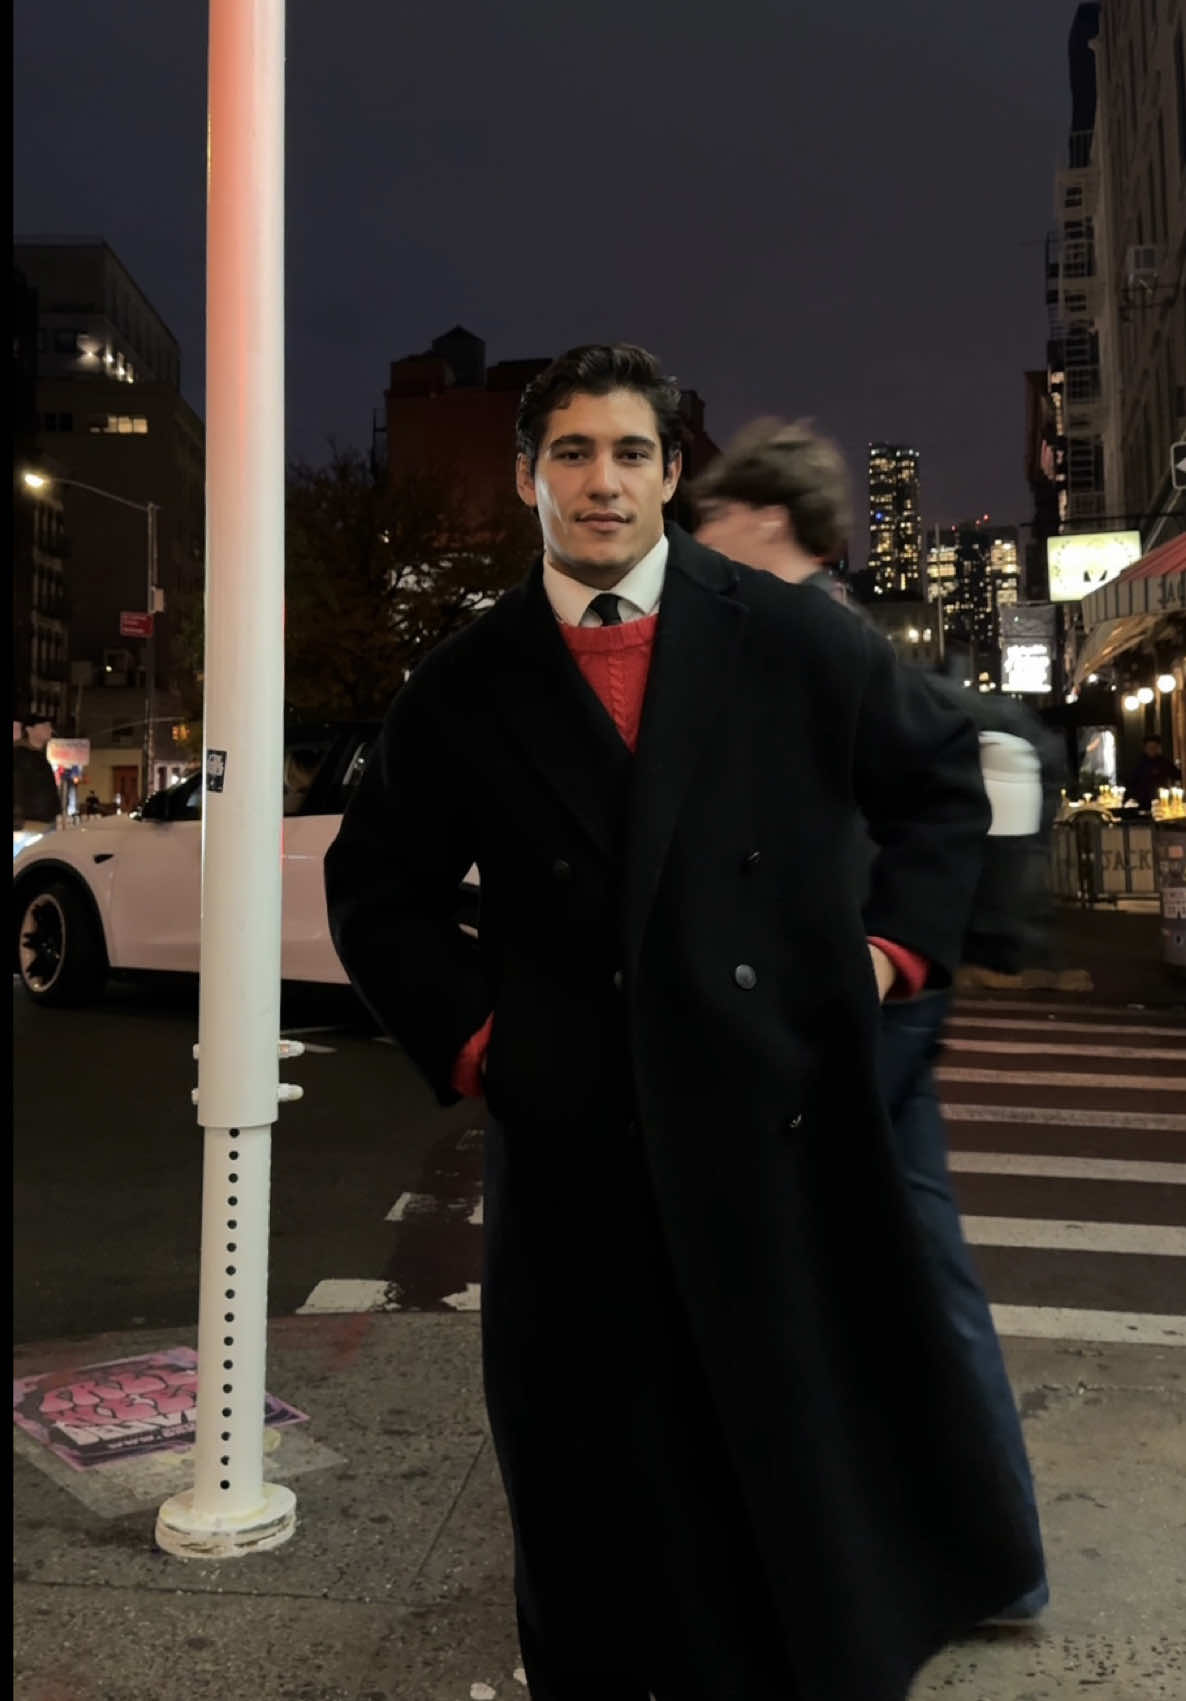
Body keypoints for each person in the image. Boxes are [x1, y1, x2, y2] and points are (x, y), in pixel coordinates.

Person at [325, 346, 1042, 1701]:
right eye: (574, 453)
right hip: (574, 1142)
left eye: (631, 453)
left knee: (784, 1463)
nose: (603, 481)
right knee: (590, 1470)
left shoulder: (784, 632)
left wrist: (885, 955)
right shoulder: (467, 678)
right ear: (527, 475)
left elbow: (941, 778)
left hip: (770, 1121)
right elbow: (377, 888)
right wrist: (485, 1044)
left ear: (668, 475)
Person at [693, 416, 1054, 1624]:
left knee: (831, 1267)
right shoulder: (808, 634)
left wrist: (884, 955)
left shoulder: (810, 641)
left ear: (765, 519)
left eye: (712, 515)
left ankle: (924, 1552)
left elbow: (926, 791)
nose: (699, 537)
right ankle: (974, 1551)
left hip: (849, 1006)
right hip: (866, 1000)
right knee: (903, 1264)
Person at [13, 715, 61, 834]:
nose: (50, 729)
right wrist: (18, 821)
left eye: (50, 726)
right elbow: (17, 787)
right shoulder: (21, 755)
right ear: (29, 729)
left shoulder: (38, 756)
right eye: (44, 726)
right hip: (29, 824)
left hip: (43, 822)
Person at [1123, 733, 1181, 812]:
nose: (1152, 750)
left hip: (1160, 800)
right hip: (1142, 801)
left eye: (1154, 747)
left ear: (1158, 748)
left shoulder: (1164, 762)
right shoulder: (1139, 763)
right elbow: (1131, 782)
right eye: (1150, 747)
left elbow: (1177, 774)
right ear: (1145, 748)